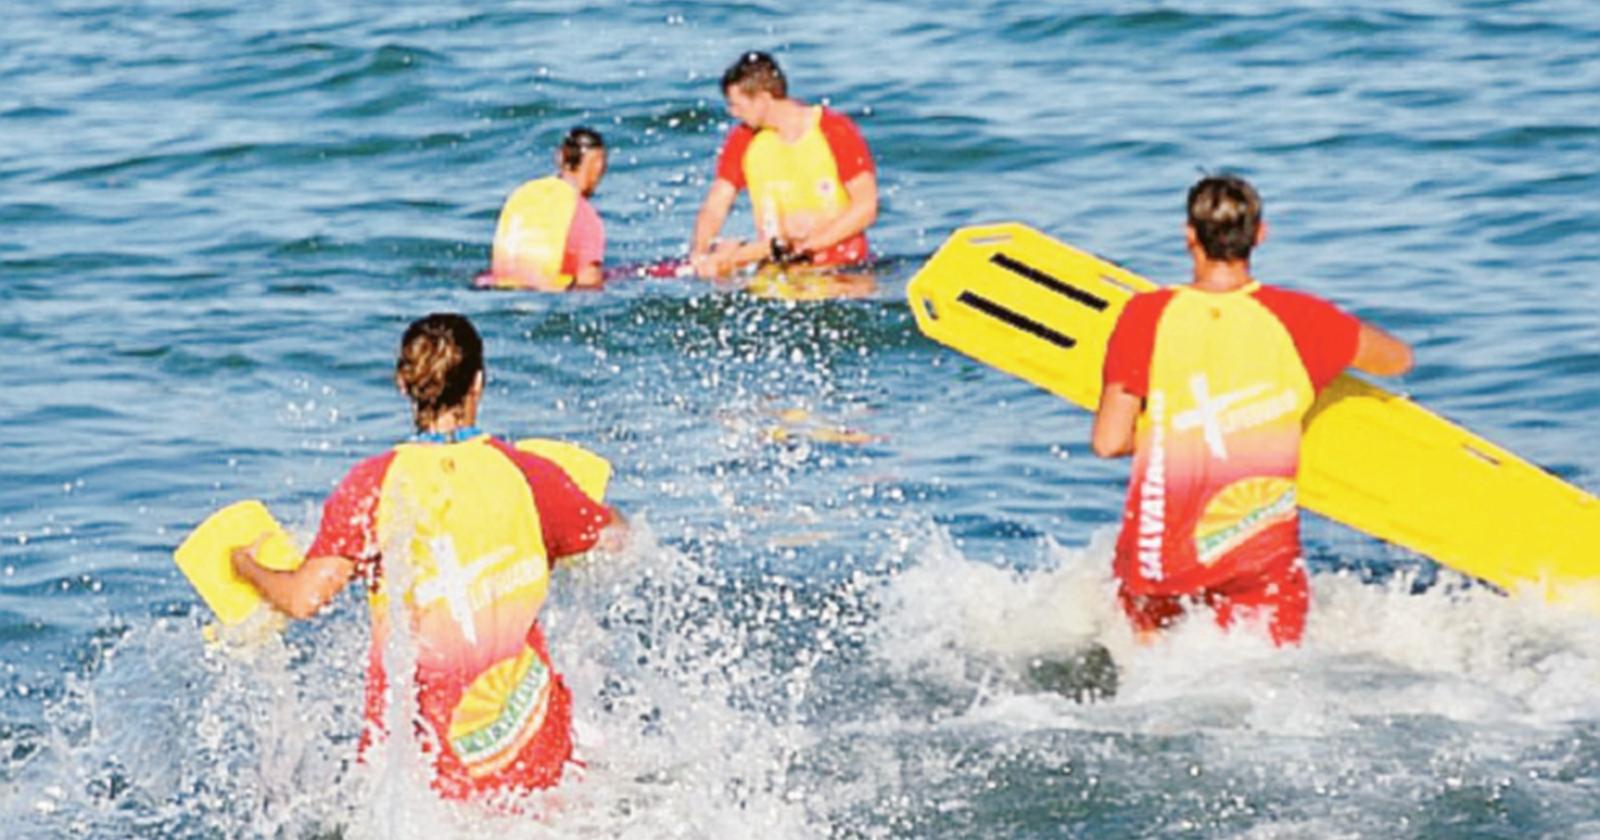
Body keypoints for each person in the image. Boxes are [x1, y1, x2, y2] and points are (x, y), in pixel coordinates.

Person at [231, 313, 621, 800]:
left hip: (422, 773)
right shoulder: (525, 473)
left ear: (403, 384)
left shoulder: (374, 485)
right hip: (530, 747)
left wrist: (246, 566)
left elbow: (305, 598)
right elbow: (615, 537)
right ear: (478, 383)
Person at [1091, 175, 1413, 646]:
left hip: (1158, 558)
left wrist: (1180, 430)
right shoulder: (1302, 319)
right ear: (1259, 235)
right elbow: (1397, 359)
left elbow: (1109, 441)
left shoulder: (1145, 316)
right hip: (1256, 558)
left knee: (1151, 691)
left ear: (1189, 236)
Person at [689, 51, 877, 278]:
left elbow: (866, 207)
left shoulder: (835, 130)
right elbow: (716, 205)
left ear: (763, 99)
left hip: (843, 271)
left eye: (737, 105)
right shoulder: (742, 140)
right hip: (779, 271)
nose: (733, 113)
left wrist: (808, 246)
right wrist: (700, 255)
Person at [479, 127, 608, 291]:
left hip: (495, 291)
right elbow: (589, 284)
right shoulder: (583, 215)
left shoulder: (524, 195)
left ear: (560, 157)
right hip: (549, 299)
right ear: (598, 164)